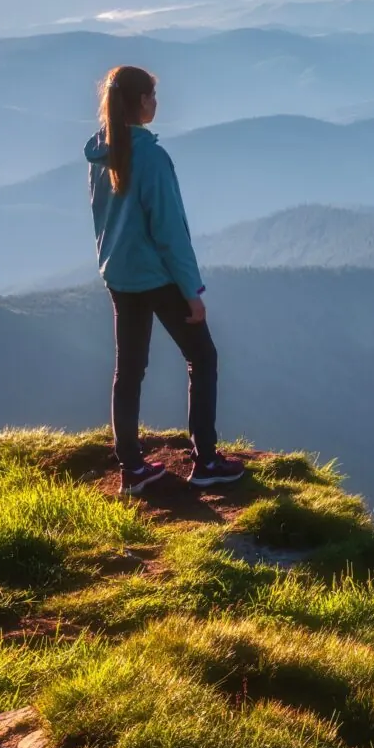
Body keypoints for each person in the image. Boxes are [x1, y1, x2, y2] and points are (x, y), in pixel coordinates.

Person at [86, 65, 243, 494]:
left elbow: (103, 218)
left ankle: (132, 469)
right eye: (153, 96)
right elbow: (171, 233)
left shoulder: (103, 153)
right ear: (140, 102)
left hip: (119, 275)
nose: (157, 103)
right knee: (203, 357)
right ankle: (206, 460)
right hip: (156, 275)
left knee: (129, 371)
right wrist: (192, 292)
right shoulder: (151, 158)